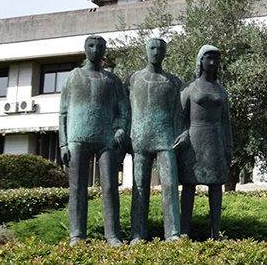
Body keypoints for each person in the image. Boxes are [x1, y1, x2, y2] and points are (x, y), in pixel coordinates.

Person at [58, 35, 129, 245]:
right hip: (77, 138)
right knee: (77, 188)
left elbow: (123, 111)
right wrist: (63, 143)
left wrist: (120, 130)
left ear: (105, 50)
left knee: (110, 187)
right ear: (84, 49)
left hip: (106, 138)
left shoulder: (113, 81)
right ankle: (77, 236)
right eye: (91, 45)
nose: (95, 49)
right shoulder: (72, 77)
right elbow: (63, 113)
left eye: (100, 46)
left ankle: (112, 235)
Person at [125, 38, 185, 244]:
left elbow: (180, 113)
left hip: (166, 140)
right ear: (146, 50)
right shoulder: (133, 80)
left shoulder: (174, 82)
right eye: (152, 48)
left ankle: (173, 234)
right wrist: (125, 136)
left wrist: (182, 134)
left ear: (165, 52)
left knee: (169, 185)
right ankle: (137, 234)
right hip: (139, 140)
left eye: (160, 49)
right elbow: (124, 110)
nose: (156, 52)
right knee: (139, 188)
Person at [179, 46, 233, 240]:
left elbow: (226, 120)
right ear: (200, 60)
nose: (212, 63)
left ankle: (216, 234)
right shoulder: (189, 88)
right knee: (189, 185)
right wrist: (182, 135)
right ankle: (184, 232)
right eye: (208, 58)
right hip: (194, 141)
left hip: (216, 140)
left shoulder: (221, 90)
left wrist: (229, 146)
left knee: (216, 185)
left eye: (216, 59)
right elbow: (179, 116)